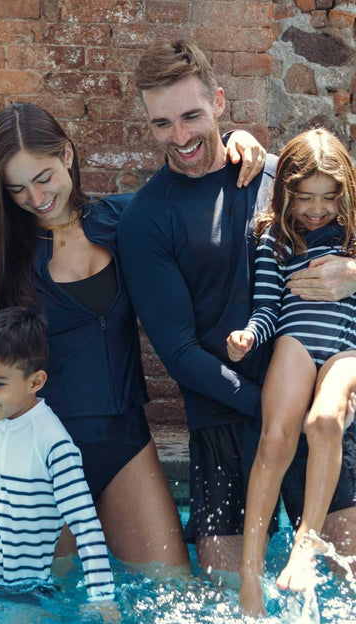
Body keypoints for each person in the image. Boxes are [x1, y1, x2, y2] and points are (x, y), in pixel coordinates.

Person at [0, 101, 263, 572]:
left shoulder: (125, 220)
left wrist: (232, 142)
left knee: (174, 589)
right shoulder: (1, 257)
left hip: (124, 444)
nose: (35, 197)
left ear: (67, 155)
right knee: (49, 600)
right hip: (41, 458)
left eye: (43, 178)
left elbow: (192, 189)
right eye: (18, 189)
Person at [117, 39, 356, 592]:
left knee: (349, 587)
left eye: (191, 116)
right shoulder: (145, 220)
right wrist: (271, 408)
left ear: (220, 102)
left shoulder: (280, 178)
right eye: (162, 123)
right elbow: (179, 353)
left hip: (315, 410)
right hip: (222, 422)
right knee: (224, 601)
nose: (180, 136)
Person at [226, 128, 356, 616]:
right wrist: (249, 336)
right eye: (304, 198)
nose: (316, 209)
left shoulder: (354, 235)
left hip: (347, 347)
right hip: (295, 340)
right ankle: (250, 576)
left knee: (324, 421)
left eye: (328, 197)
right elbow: (267, 308)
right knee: (276, 437)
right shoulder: (274, 238)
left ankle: (307, 540)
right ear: (285, 192)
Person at [0, 306, 114, 603]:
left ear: (35, 382)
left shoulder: (54, 445)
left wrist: (103, 599)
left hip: (22, 585)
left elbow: (85, 527)